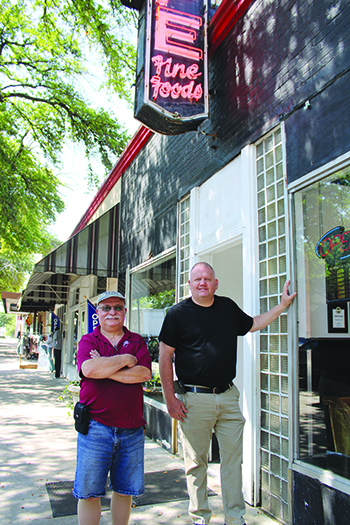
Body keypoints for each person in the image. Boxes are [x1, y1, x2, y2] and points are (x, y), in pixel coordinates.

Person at [159, 262, 296, 525]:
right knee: (196, 464)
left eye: (207, 279)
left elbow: (253, 324)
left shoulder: (227, 307)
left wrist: (281, 307)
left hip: (229, 398)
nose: (202, 283)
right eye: (197, 279)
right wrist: (170, 399)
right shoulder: (177, 314)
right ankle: (200, 518)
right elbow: (165, 357)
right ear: (189, 284)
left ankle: (235, 519)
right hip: (194, 400)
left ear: (215, 283)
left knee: (233, 462)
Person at [72, 290, 152, 525]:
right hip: (95, 427)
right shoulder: (89, 341)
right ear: (98, 313)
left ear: (125, 311)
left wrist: (105, 368)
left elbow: (144, 373)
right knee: (89, 493)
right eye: (106, 308)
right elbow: (89, 370)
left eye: (118, 307)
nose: (112, 312)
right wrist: (126, 360)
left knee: (125, 490)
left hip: (132, 429)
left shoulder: (137, 340)